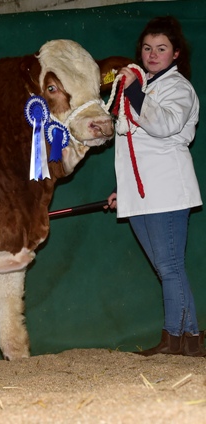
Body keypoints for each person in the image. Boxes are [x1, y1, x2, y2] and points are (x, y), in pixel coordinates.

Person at [106, 16, 206, 357]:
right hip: (142, 193)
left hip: (167, 189)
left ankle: (175, 339)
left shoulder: (179, 89)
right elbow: (132, 145)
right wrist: (125, 190)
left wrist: (132, 88)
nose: (153, 54)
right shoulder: (143, 87)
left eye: (161, 49)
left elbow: (163, 126)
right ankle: (188, 339)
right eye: (147, 48)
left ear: (175, 54)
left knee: (170, 267)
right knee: (167, 268)